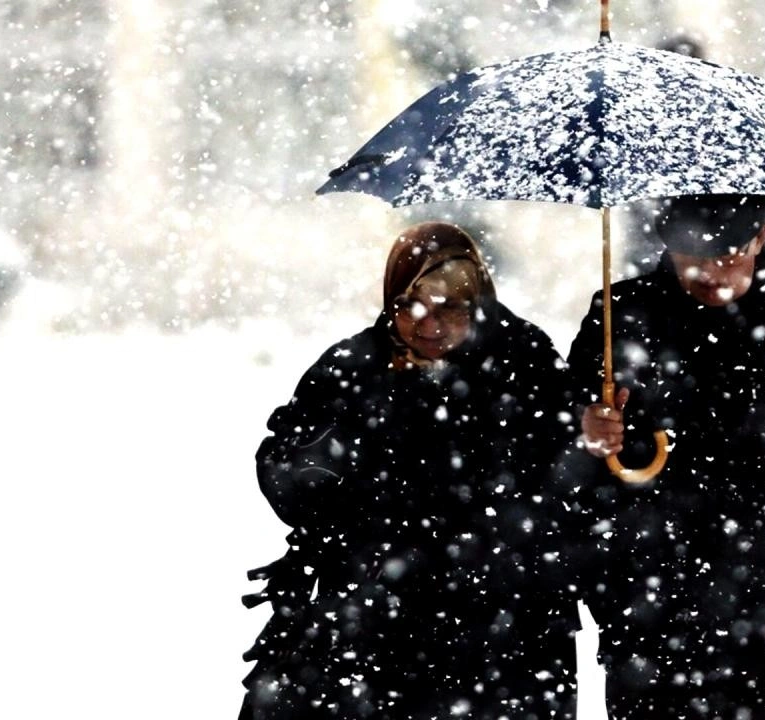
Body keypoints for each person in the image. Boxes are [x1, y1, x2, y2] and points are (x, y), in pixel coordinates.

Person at [239, 223, 581, 720]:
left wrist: (596, 441)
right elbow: (283, 461)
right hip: (378, 620)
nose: (428, 326)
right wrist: (323, 473)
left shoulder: (523, 362)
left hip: (506, 627)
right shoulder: (355, 367)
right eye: (410, 307)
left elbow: (568, 476)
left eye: (450, 309)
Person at [568, 194, 765, 719]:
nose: (709, 270)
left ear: (762, 236)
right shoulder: (621, 315)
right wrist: (588, 432)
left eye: (729, 252)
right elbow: (562, 450)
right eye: (691, 253)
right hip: (647, 604)